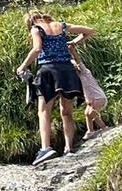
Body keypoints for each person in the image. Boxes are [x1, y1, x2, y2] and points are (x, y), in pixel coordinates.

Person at [15, 9, 93, 165]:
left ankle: (46, 148)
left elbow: (37, 49)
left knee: (43, 111)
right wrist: (73, 43)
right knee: (66, 112)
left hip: (48, 71)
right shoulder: (61, 25)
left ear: (30, 22)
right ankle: (69, 149)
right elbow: (89, 31)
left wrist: (22, 67)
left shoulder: (36, 28)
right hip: (67, 70)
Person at [68, 37, 107, 138]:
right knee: (86, 113)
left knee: (92, 112)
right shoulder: (78, 78)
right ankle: (90, 130)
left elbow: (78, 60)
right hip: (92, 99)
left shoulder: (84, 72)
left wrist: (72, 50)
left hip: (99, 97)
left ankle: (104, 128)